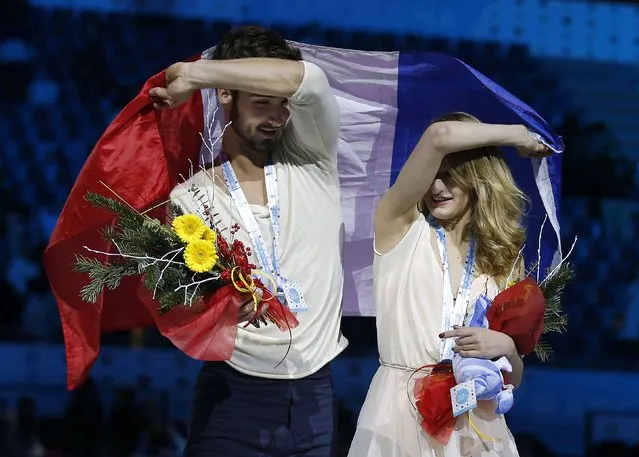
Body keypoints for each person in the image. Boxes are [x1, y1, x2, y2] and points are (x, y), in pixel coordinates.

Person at [150, 26, 347, 457]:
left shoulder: (314, 160)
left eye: (282, 105)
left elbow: (309, 79)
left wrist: (192, 74)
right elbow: (172, 306)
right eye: (261, 103)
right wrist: (213, 310)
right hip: (233, 397)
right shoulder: (189, 198)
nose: (276, 117)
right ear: (226, 95)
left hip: (317, 396)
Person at [347, 112, 550, 457]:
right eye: (432, 176)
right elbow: (438, 135)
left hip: (476, 424)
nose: (436, 188)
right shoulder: (399, 227)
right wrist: (516, 133)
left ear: (478, 178)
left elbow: (512, 379)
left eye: (450, 176)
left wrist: (507, 347)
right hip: (399, 413)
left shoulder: (501, 264)